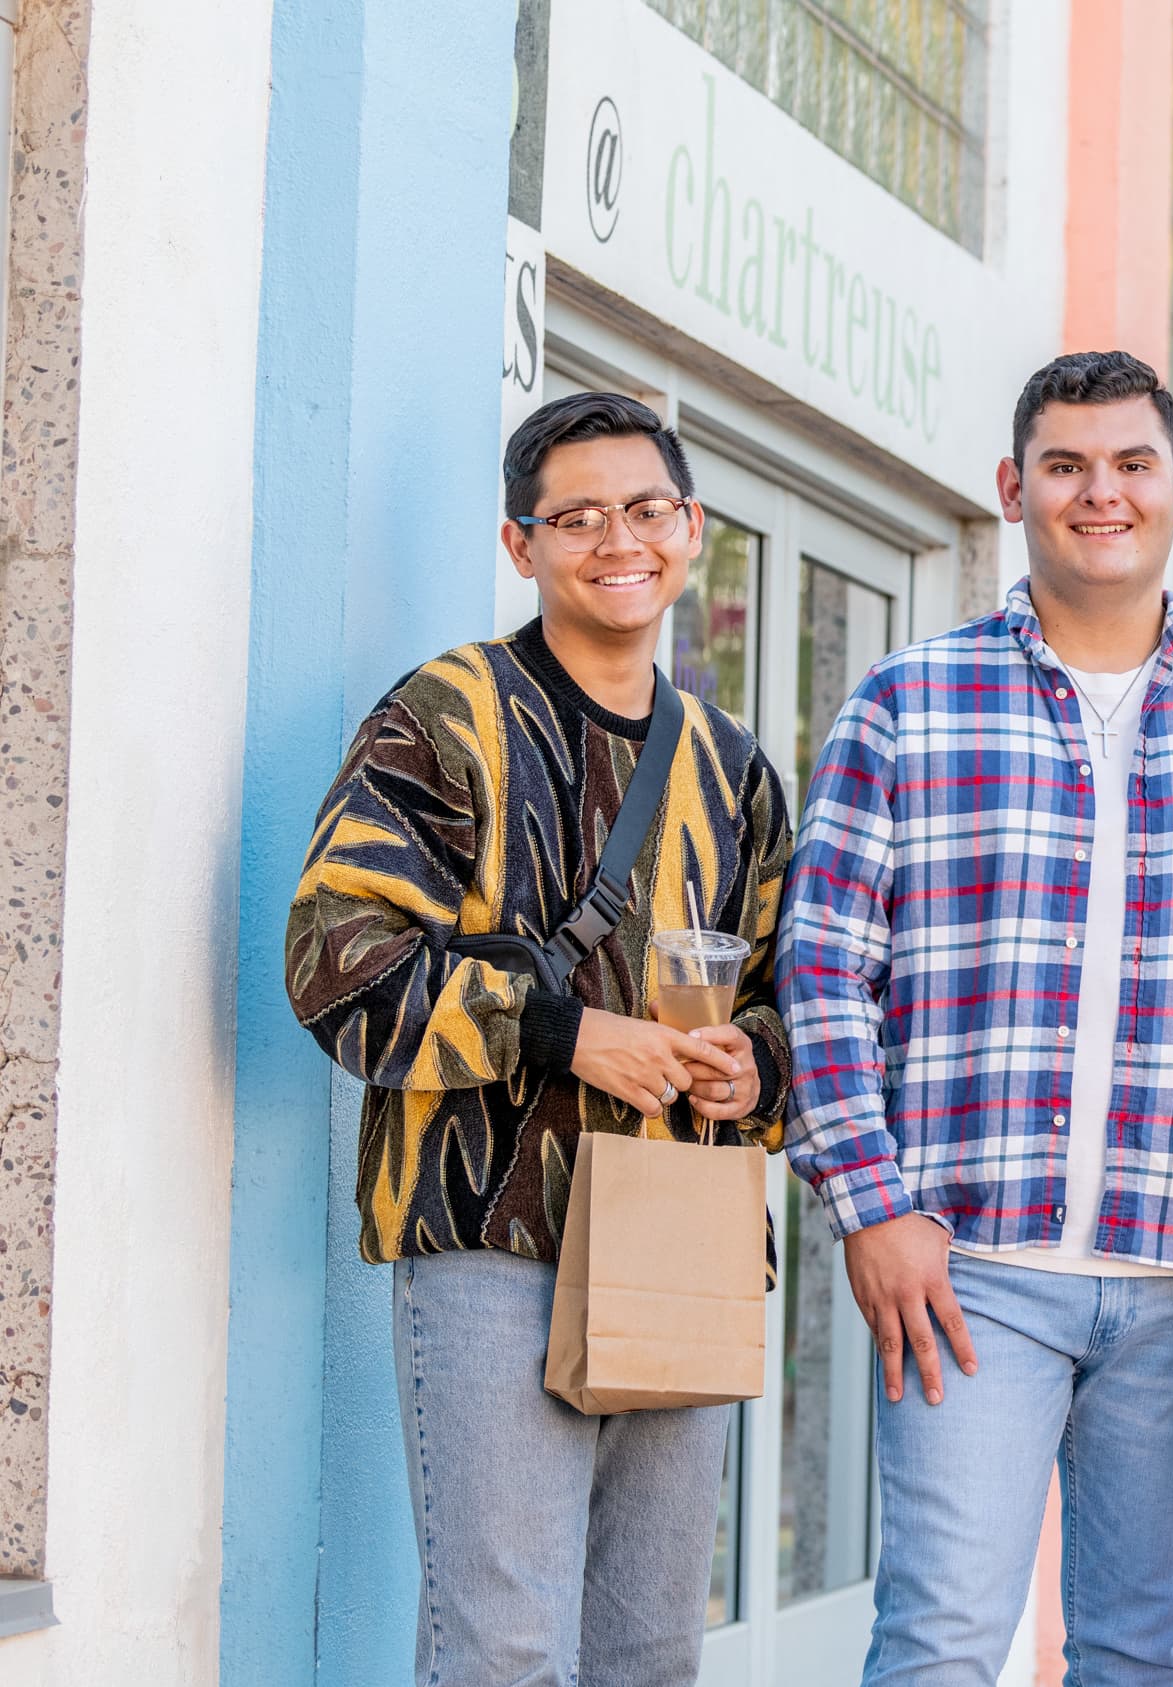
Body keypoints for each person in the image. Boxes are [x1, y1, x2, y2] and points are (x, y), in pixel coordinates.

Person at [782, 351, 1173, 1686]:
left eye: (1131, 464)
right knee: (936, 1643)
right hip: (970, 1273)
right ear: (1012, 488)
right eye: (1067, 465)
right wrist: (874, 1202)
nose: (1103, 493)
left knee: (1139, 1655)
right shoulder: (907, 705)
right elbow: (820, 970)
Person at [285, 392, 791, 1687]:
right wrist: (558, 1028)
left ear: (688, 529)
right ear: (523, 544)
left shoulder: (734, 771)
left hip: (680, 1236)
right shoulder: (446, 715)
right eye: (576, 515)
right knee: (505, 1646)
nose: (616, 538)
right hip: (491, 1240)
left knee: (650, 1651)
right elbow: (333, 954)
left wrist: (755, 1065)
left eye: (644, 508)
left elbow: (795, 996)